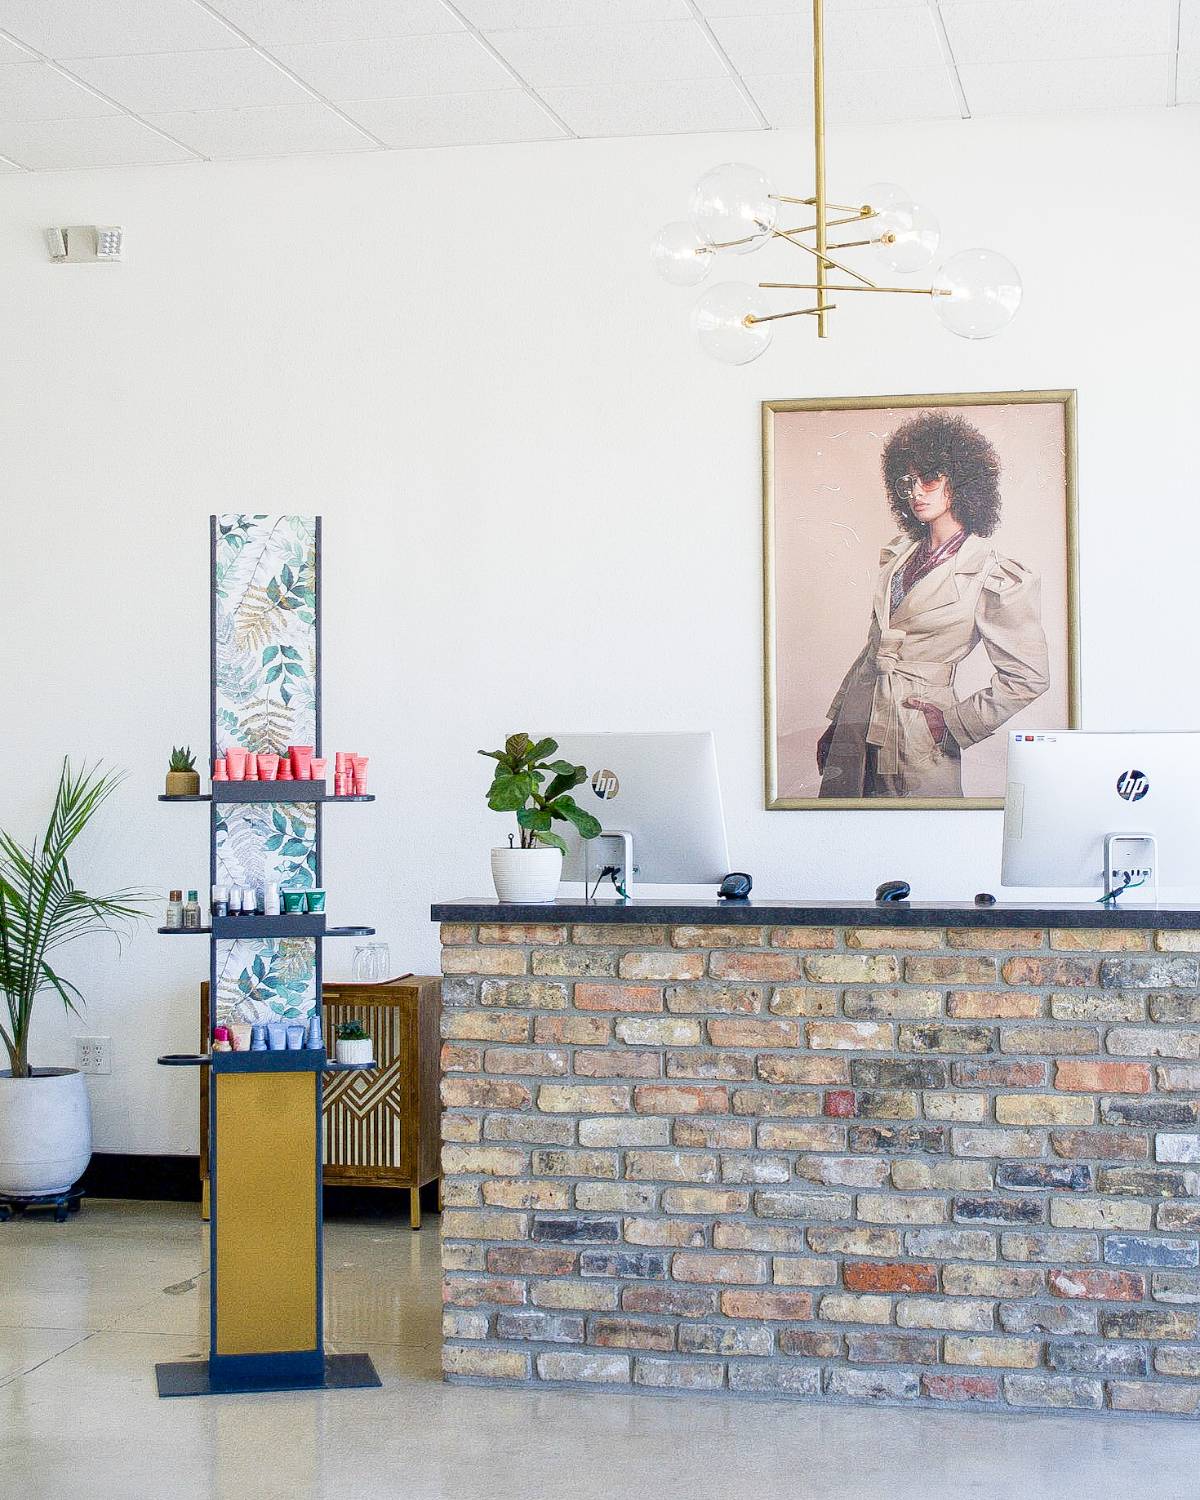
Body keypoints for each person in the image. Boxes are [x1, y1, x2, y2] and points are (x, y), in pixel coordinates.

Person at [817, 409, 1049, 799]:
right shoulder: (898, 555)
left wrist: (956, 722)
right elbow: (873, 652)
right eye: (907, 482)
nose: (916, 492)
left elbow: (1029, 677)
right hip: (856, 727)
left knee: (918, 832)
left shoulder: (992, 574)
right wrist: (838, 723)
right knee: (839, 829)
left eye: (929, 478)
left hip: (917, 734)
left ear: (961, 481)